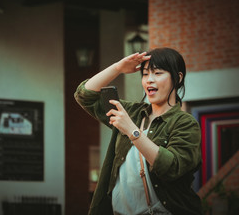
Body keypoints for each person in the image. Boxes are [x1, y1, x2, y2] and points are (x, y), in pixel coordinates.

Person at [74, 47, 202, 215]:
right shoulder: (132, 113)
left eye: (157, 73)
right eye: (145, 74)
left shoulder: (185, 123)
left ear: (178, 78)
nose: (149, 80)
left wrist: (133, 131)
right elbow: (84, 95)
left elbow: (172, 168)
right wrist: (118, 68)